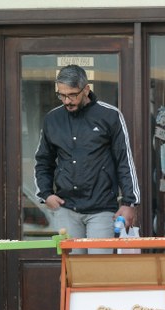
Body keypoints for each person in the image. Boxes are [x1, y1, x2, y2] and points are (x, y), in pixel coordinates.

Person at [35, 64, 140, 254]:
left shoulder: (110, 115)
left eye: (72, 95)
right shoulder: (52, 119)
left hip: (102, 208)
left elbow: (125, 161)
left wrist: (129, 203)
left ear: (86, 89)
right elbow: (43, 161)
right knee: (73, 273)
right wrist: (45, 194)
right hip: (66, 208)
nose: (67, 101)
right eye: (62, 95)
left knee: (96, 273)